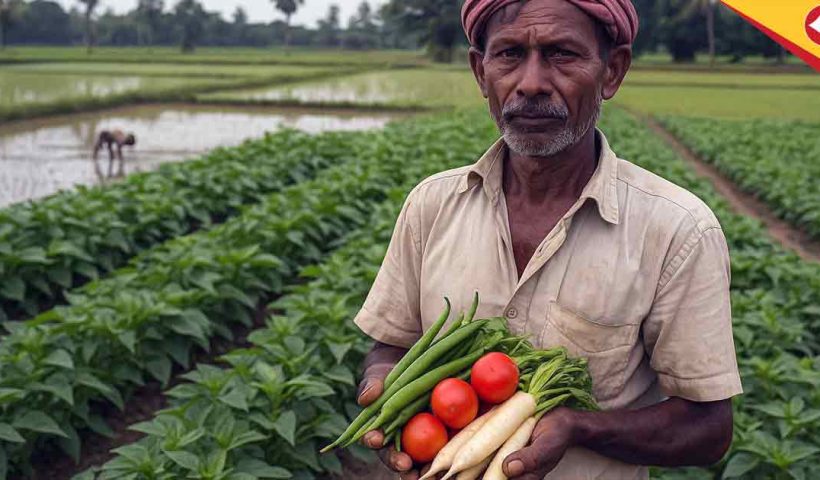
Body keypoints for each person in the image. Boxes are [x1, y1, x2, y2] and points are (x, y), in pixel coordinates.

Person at [352, 1, 743, 479]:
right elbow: (389, 345)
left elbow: (709, 429)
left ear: (612, 71)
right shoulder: (430, 206)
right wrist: (384, 387)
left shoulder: (677, 230)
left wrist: (579, 427)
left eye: (561, 55)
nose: (531, 83)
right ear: (480, 71)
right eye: (509, 54)